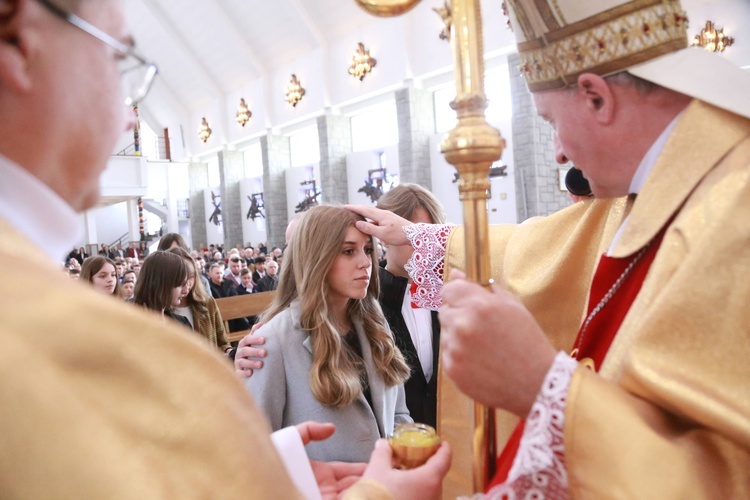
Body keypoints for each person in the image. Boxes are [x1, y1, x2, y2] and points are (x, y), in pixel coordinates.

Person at [0, 0, 454, 496]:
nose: (130, 119)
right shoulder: (55, 330)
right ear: (21, 45)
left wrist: (286, 469)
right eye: (114, 60)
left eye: (366, 250)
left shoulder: (377, 315)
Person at [349, 0, 750, 497]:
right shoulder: (671, 183)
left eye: (551, 121)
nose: (558, 152)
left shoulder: (735, 205)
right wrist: (420, 241)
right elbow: (541, 246)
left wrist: (541, 382)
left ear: (596, 97)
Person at [244, 205, 412, 463]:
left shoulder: (375, 325)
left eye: (368, 250)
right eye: (348, 251)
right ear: (316, 258)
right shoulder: (272, 341)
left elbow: (398, 413)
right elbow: (257, 449)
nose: (365, 262)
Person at [376, 184, 446, 428]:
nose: (424, 248)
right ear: (385, 236)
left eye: (430, 236)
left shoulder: (449, 293)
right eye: (413, 236)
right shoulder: (368, 299)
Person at [167, 246, 232, 356]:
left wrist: (231, 353)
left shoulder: (207, 302)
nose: (187, 282)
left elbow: (223, 342)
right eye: (181, 276)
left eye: (191, 276)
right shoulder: (161, 310)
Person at [133, 251, 191, 328]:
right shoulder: (130, 324)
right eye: (180, 284)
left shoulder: (182, 323)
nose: (185, 291)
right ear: (160, 284)